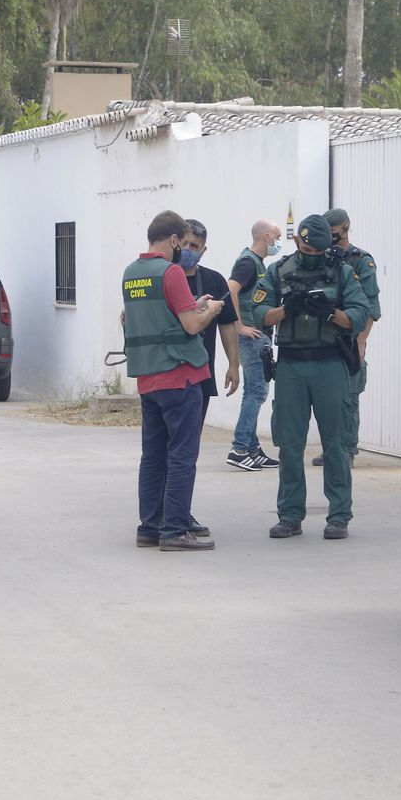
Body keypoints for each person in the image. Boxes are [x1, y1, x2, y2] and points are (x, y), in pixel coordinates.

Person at [251, 214, 370, 540]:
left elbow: (360, 315)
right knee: (290, 444)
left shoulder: (342, 272)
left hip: (329, 363)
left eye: (318, 249)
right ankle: (290, 515)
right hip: (291, 366)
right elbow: (259, 313)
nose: (312, 254)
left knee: (336, 444)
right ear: (297, 242)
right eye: (306, 247)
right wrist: (287, 310)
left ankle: (339, 517)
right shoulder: (279, 271)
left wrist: (331, 313)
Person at [122, 210, 225, 552]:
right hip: (179, 377)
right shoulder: (171, 272)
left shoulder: (131, 273)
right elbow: (192, 326)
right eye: (181, 242)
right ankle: (175, 530)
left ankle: (150, 527)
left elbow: (155, 316)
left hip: (148, 379)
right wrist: (209, 309)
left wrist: (192, 305)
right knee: (182, 456)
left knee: (152, 457)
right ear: (173, 240)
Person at [314, 207, 380, 468]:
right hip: (323, 336)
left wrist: (361, 341)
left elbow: (371, 305)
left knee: (349, 396)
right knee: (325, 398)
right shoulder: (319, 258)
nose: (331, 238)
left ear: (346, 228)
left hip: (350, 337)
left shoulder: (361, 260)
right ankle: (331, 447)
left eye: (334, 233)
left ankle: (348, 450)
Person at [226, 219, 283, 472]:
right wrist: (239, 326)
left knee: (253, 391)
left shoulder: (257, 263)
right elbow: (230, 289)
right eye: (278, 236)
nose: (279, 242)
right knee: (257, 392)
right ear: (267, 237)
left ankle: (251, 449)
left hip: (257, 335)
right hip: (252, 336)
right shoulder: (249, 262)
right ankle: (239, 449)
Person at [180, 218, 241, 421]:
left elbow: (227, 325)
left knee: (191, 438)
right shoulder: (161, 277)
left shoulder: (214, 280)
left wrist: (234, 365)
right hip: (166, 374)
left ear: (203, 250)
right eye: (184, 243)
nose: (188, 249)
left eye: (194, 246)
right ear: (175, 242)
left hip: (200, 373)